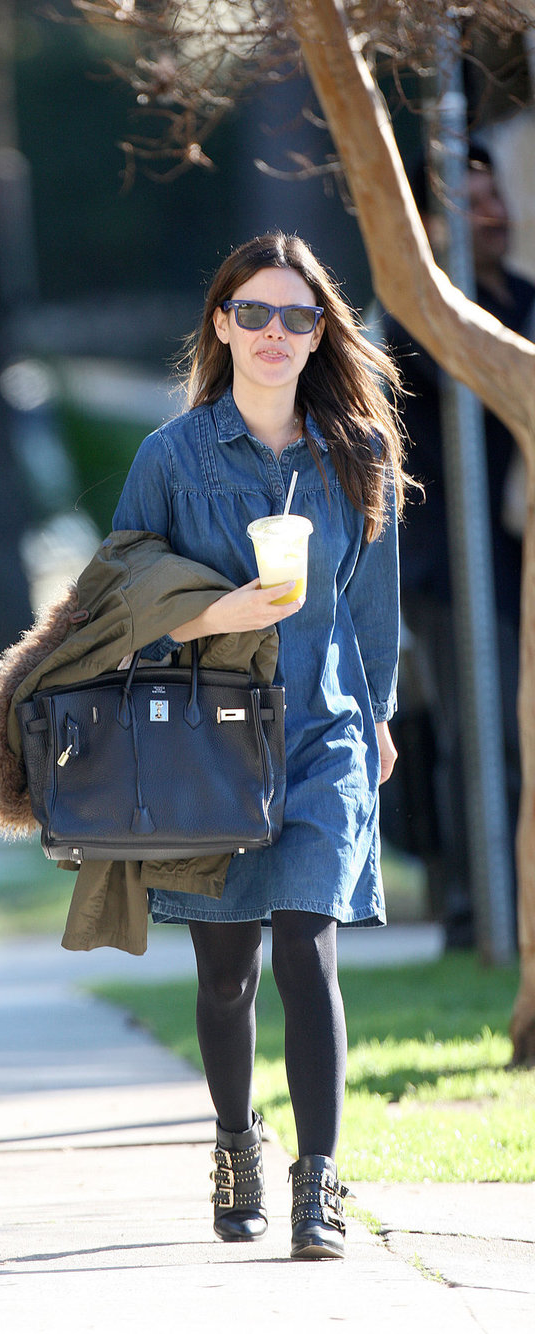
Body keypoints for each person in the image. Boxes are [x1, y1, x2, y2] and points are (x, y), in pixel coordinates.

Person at [111, 233, 410, 1260]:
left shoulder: (355, 454)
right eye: (252, 312)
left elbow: (371, 607)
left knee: (303, 943)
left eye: (295, 316)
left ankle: (315, 1182)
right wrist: (210, 612)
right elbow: (118, 598)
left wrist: (378, 714)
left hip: (323, 731)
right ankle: (235, 1140)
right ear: (219, 322)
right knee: (224, 971)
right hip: (208, 738)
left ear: (320, 329)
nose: (272, 333)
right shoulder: (171, 455)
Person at [380, 145, 531, 949]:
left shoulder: (530, 299)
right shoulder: (422, 320)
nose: (495, 215)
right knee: (482, 739)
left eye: (497, 198)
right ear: (436, 225)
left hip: (521, 558)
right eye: (473, 204)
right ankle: (477, 919)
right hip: (457, 574)